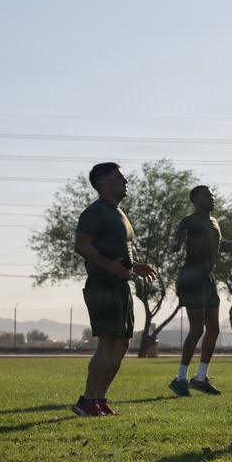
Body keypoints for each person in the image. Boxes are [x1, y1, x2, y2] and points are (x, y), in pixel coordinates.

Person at [71, 162, 158, 417]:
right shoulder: (96, 211)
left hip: (120, 285)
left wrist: (135, 266)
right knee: (108, 343)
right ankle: (86, 400)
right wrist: (108, 265)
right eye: (120, 176)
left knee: (123, 344)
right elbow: (81, 245)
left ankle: (98, 399)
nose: (126, 180)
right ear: (104, 183)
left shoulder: (118, 212)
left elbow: (118, 251)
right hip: (103, 283)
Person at [167, 185, 232, 397]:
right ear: (195, 200)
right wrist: (178, 243)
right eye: (206, 195)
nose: (212, 197)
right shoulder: (189, 220)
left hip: (208, 278)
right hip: (192, 276)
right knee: (196, 330)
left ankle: (200, 379)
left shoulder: (214, 222)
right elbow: (174, 245)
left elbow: (219, 246)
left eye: (212, 194)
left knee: (213, 329)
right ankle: (180, 379)